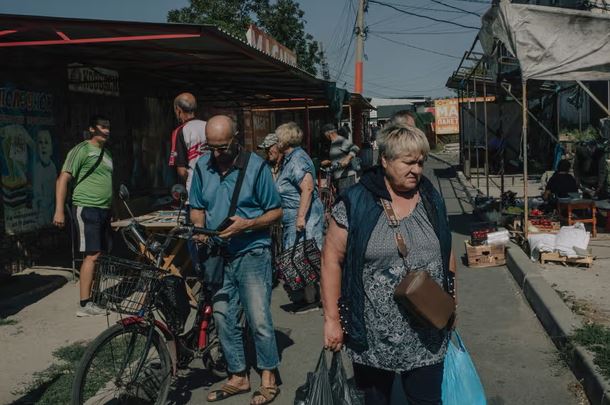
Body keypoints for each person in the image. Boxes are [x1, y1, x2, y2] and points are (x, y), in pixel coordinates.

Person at [321, 124, 457, 405]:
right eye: (408, 162)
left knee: (427, 401)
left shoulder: (431, 197)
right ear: (385, 160)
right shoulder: (356, 202)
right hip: (372, 335)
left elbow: (446, 251)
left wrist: (451, 301)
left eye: (420, 162)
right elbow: (331, 260)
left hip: (427, 332)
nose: (416, 170)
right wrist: (332, 320)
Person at [189, 115, 282, 404]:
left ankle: (269, 375)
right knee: (222, 315)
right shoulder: (202, 166)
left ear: (236, 138)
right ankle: (238, 375)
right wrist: (200, 231)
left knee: (258, 318)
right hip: (218, 254)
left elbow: (276, 212)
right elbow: (197, 206)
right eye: (211, 147)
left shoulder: (256, 167)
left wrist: (246, 224)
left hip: (252, 251)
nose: (217, 154)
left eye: (223, 147)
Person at [53, 115, 113, 317]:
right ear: (91, 129)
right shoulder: (81, 149)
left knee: (100, 255)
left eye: (108, 127)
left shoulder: (108, 154)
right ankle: (84, 304)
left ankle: (94, 298)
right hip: (87, 207)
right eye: (102, 126)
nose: (106, 131)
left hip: (105, 209)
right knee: (92, 254)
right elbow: (63, 178)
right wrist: (59, 210)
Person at [275, 122, 324, 314]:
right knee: (302, 258)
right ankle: (310, 298)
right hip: (295, 214)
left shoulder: (297, 160)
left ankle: (324, 298)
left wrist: (301, 217)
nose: (276, 141)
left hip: (304, 215)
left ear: (286, 140)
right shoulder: (290, 158)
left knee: (308, 257)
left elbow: (308, 187)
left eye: (278, 138)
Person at [168, 92, 207, 191]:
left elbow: (182, 171)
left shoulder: (180, 131)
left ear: (178, 110)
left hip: (195, 190)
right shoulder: (209, 126)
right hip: (214, 187)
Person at [320, 123, 360, 193]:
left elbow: (355, 148)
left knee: (346, 201)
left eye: (325, 135)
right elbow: (338, 156)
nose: (325, 137)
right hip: (339, 177)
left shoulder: (340, 140)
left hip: (346, 177)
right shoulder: (332, 142)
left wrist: (347, 159)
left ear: (329, 133)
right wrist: (329, 161)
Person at [33, 129, 58, 226]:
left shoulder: (53, 167)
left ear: (51, 148)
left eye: (46, 142)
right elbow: (37, 194)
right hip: (40, 212)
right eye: (40, 142)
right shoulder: (37, 168)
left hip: (51, 209)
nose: (43, 146)